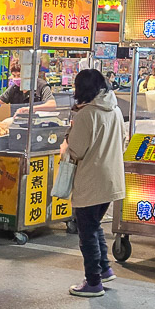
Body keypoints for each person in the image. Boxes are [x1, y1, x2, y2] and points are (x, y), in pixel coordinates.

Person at [61, 69, 126, 297]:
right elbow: (124, 142)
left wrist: (68, 136)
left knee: (87, 231)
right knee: (95, 225)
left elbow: (76, 150)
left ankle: (93, 281)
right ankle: (105, 269)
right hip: (112, 180)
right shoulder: (115, 110)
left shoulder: (87, 115)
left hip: (90, 180)